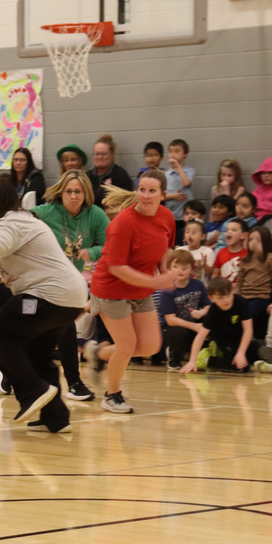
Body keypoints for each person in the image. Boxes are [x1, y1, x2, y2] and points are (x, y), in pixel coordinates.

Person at [0, 178, 87, 433]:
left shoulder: (10, 221)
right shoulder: (17, 222)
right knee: (36, 353)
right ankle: (55, 417)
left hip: (49, 295)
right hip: (68, 298)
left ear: (3, 200)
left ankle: (33, 390)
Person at [85, 169, 176, 414]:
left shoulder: (166, 217)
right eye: (142, 189)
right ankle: (112, 395)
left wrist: (164, 271)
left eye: (152, 191)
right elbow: (116, 268)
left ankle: (97, 352)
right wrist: (156, 283)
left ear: (163, 195)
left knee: (149, 346)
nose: (145, 195)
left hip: (140, 289)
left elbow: (164, 247)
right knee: (126, 346)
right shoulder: (123, 223)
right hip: (110, 289)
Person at [35, 170, 109, 402]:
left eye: (78, 191)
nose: (74, 196)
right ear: (61, 192)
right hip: (41, 279)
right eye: (69, 191)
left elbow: (111, 244)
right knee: (45, 329)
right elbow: (18, 221)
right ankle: (71, 382)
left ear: (86, 193)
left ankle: (73, 382)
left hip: (71, 282)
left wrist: (94, 251)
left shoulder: (94, 215)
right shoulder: (47, 212)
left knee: (64, 327)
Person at [179, 277, 255, 373]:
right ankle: (207, 359)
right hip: (223, 339)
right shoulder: (213, 311)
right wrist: (192, 361)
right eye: (220, 298)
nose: (226, 300)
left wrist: (241, 353)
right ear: (211, 298)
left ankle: (222, 355)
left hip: (239, 338)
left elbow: (248, 330)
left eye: (228, 295)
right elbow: (201, 336)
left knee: (254, 353)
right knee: (242, 367)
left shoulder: (241, 303)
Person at [158, 249, 211, 370]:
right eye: (175, 267)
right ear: (169, 269)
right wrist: (195, 326)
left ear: (192, 270)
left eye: (184, 268)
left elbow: (209, 305)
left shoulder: (198, 285)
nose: (180, 271)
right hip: (172, 329)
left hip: (193, 324)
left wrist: (201, 312)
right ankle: (173, 355)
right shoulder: (167, 290)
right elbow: (170, 320)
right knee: (180, 334)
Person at [235, 225, 272, 338]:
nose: (254, 243)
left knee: (243, 318)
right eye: (251, 240)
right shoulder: (245, 259)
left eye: (258, 241)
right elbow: (240, 281)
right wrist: (236, 297)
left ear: (266, 242)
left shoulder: (271, 258)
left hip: (260, 298)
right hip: (243, 297)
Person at [87, 134, 133, 208]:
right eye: (97, 154)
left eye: (103, 154)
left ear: (111, 155)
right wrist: (104, 191)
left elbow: (127, 202)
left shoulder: (121, 175)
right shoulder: (87, 176)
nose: (99, 157)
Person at [163, 139, 195, 220]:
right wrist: (173, 196)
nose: (172, 154)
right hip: (170, 215)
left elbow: (186, 183)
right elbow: (162, 196)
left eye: (176, 151)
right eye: (170, 151)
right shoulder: (166, 174)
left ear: (185, 154)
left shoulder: (190, 171)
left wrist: (179, 167)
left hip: (186, 216)